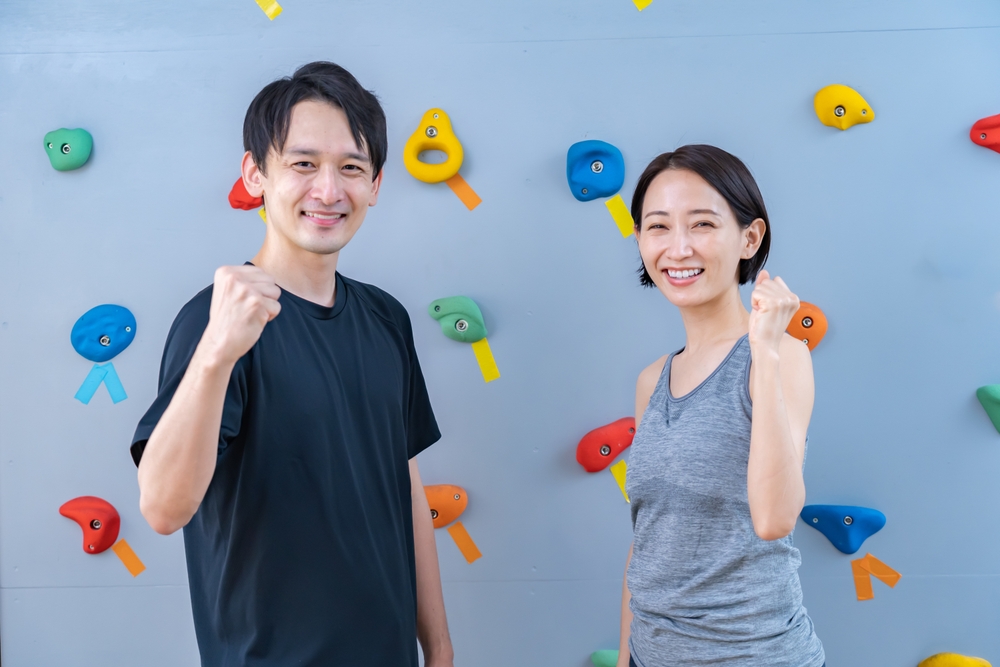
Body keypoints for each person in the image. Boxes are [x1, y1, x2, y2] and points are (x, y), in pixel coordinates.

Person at [130, 62, 454, 667]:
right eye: (303, 164)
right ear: (255, 173)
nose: (329, 191)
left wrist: (437, 646)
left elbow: (403, 481)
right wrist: (217, 354)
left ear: (376, 184)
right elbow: (163, 509)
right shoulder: (214, 321)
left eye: (351, 168)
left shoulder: (387, 319)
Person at [617, 145, 825, 667]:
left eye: (703, 224)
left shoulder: (782, 357)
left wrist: (765, 352)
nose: (678, 248)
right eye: (658, 227)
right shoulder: (652, 381)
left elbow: (776, 518)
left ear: (749, 238)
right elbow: (647, 542)